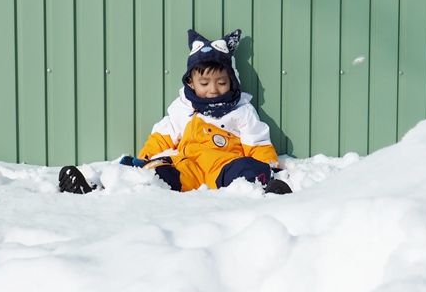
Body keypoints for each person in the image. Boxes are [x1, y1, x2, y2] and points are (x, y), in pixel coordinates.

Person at [59, 28, 291, 195]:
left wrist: (267, 165)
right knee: (160, 174)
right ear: (191, 83)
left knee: (246, 169)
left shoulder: (241, 110)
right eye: (205, 83)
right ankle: (96, 190)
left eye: (221, 83)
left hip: (223, 164)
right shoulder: (184, 108)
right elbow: (163, 135)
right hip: (187, 164)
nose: (213, 90)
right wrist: (146, 158)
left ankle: (269, 190)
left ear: (232, 82)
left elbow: (258, 142)